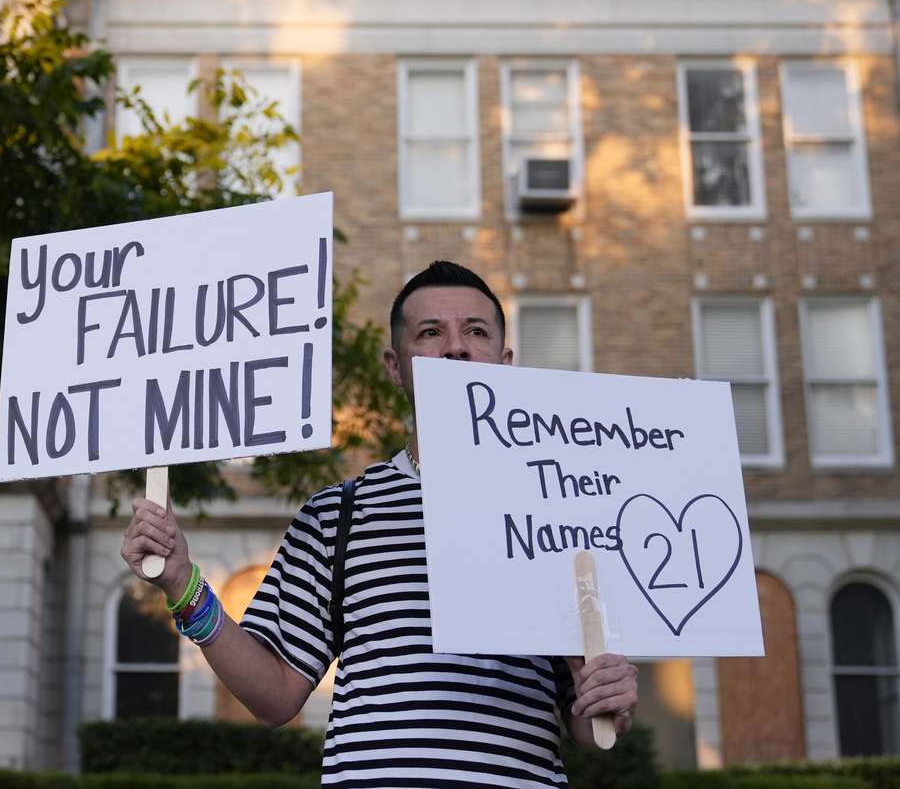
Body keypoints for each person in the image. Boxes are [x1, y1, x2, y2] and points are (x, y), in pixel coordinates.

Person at [121, 261, 639, 787]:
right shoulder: (335, 516)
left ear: (503, 362)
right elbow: (273, 697)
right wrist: (182, 584)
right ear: (396, 365)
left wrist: (607, 694)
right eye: (431, 333)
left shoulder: (561, 517)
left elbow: (588, 722)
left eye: (476, 332)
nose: (456, 348)